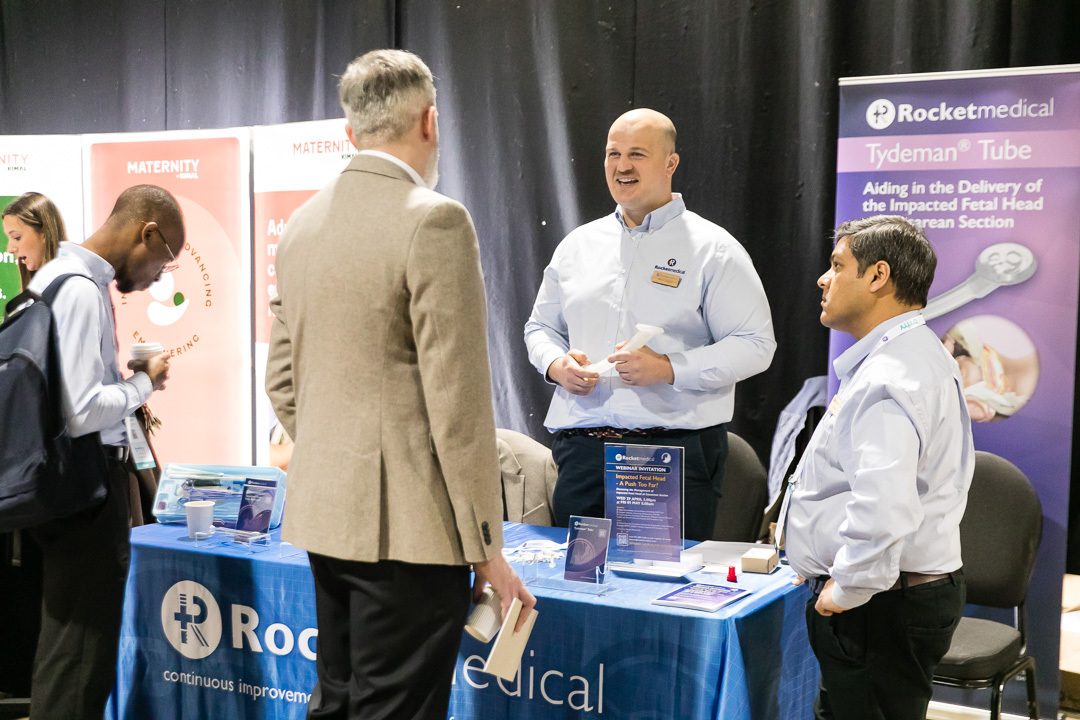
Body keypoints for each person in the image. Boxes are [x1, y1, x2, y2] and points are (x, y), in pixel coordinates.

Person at [266, 49, 534, 720]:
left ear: (350, 130)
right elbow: (457, 406)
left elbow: (281, 379)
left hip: (327, 518)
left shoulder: (301, 224)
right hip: (411, 533)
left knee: (338, 702)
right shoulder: (435, 219)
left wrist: (341, 456)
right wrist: (486, 550)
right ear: (429, 121)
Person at [524, 108, 776, 540]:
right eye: (613, 154)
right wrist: (555, 364)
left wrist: (669, 368)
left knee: (653, 580)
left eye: (637, 154)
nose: (622, 166)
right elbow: (539, 328)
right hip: (583, 453)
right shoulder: (577, 246)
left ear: (670, 163)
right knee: (583, 577)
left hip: (669, 453)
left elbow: (756, 344)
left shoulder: (713, 249)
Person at [784, 215, 974, 720]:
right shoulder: (910, 354)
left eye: (837, 265)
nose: (823, 279)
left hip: (879, 604)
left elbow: (884, 506)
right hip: (890, 597)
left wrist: (847, 588)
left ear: (877, 276)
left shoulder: (891, 374)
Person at [25, 184, 182, 720]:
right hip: (87, 492)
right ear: (148, 233)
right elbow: (82, 410)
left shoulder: (56, 277)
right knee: (80, 662)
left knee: (70, 650)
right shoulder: (78, 288)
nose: (158, 277)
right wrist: (144, 383)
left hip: (68, 488)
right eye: (165, 260)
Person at [0, 191, 68, 700]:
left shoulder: (66, 296)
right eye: (8, 239)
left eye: (18, 237)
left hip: (51, 467)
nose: (12, 249)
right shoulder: (23, 305)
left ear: (45, 231)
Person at [2, 191, 67, 290]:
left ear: (44, 231)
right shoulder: (36, 289)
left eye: (17, 237)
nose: (9, 249)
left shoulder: (73, 286)